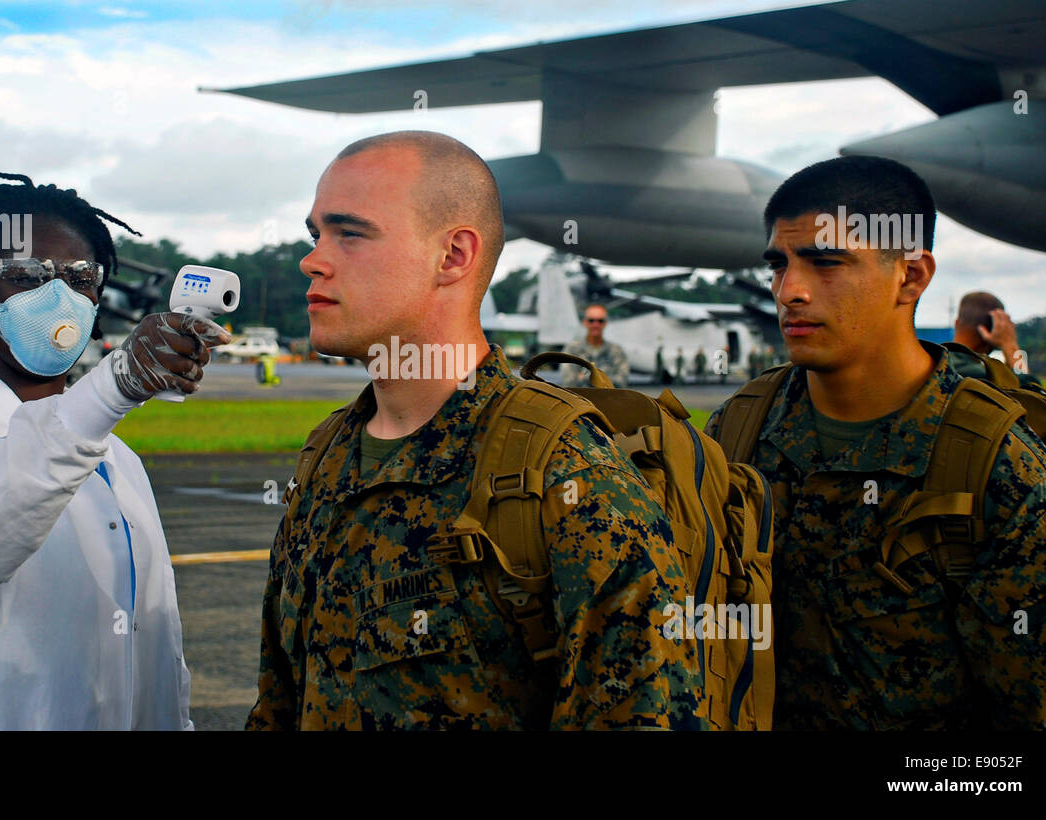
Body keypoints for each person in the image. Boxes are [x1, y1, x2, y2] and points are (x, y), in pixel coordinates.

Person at [246, 131, 703, 730]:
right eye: (316, 234)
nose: (312, 259)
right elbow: (280, 701)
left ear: (454, 256)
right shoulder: (328, 455)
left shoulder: (563, 473)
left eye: (350, 233)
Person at [705, 155, 1046, 730]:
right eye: (779, 264)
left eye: (825, 263)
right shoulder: (736, 431)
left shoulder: (1000, 471)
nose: (789, 291)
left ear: (911, 275)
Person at [0, 173, 230, 729]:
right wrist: (111, 389)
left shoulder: (118, 460)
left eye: (80, 276)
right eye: (24, 275)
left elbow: (156, 646)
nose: (57, 295)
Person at [951, 290, 1040, 386]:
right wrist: (1011, 345)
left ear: (956, 323)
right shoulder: (985, 376)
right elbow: (1033, 391)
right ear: (990, 331)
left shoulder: (941, 360)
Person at [560, 303, 629, 387]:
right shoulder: (572, 349)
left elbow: (622, 382)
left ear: (605, 323)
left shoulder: (616, 350)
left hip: (608, 399)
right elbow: (569, 382)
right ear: (585, 322)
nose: (596, 325)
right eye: (591, 320)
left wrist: (584, 377)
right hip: (579, 399)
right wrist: (605, 380)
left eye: (600, 321)